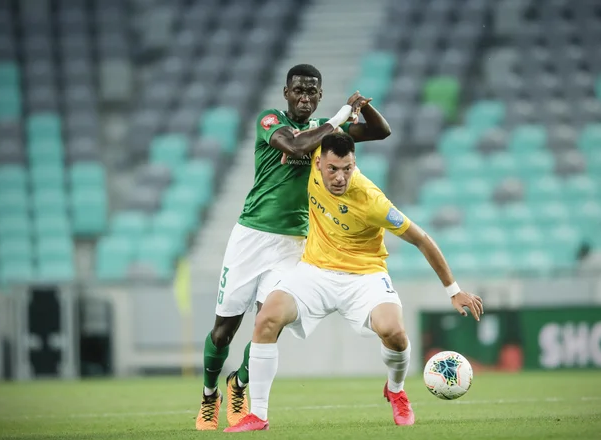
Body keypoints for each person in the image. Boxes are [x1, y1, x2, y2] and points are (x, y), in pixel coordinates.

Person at [224, 132, 484, 432]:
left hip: (365, 275)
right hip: (315, 272)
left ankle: (396, 390)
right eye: (333, 169)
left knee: (394, 332)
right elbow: (294, 139)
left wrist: (454, 291)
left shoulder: (372, 201)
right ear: (318, 163)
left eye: (347, 168)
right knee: (266, 318)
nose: (339, 177)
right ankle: (258, 415)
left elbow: (422, 240)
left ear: (354, 163)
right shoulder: (310, 160)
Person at [196, 64, 392, 431]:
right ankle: (209, 396)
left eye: (312, 91)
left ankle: (238, 384)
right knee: (224, 331)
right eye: (298, 90)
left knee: (269, 322)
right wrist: (340, 115)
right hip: (250, 238)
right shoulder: (271, 120)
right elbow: (297, 144)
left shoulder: (326, 128)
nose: (304, 97)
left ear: (319, 95)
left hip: (294, 243)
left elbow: (381, 131)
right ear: (286, 93)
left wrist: (362, 108)